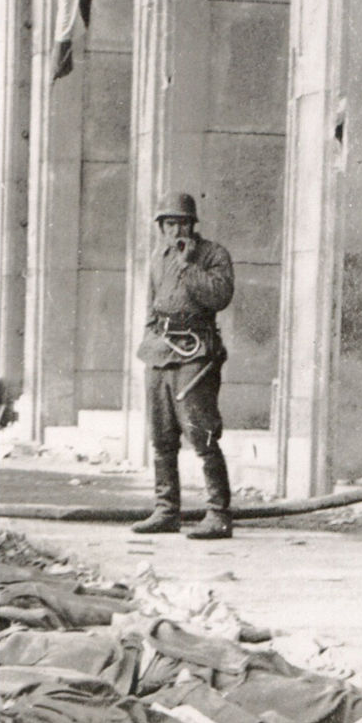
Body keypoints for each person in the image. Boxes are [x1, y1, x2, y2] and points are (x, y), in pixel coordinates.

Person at [132, 192, 235, 540]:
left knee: (201, 432)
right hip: (160, 351)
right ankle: (166, 510)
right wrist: (149, 341)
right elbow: (151, 306)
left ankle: (218, 513)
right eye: (170, 223)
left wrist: (189, 266)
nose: (177, 229)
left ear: (194, 224)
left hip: (196, 352)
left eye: (183, 222)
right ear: (161, 226)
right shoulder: (157, 257)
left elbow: (219, 297)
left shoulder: (213, 255)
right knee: (161, 435)